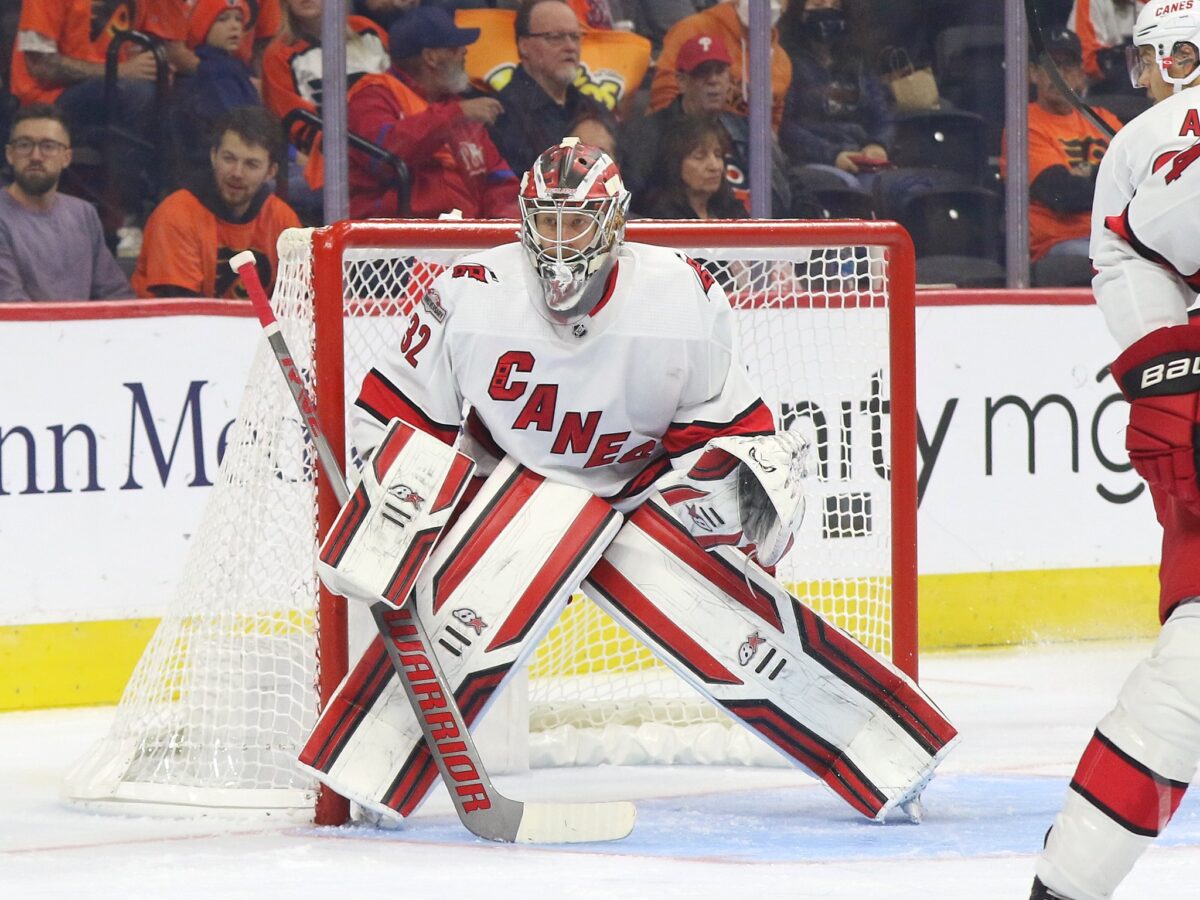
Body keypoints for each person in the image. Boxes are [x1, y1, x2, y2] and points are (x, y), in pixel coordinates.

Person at [306, 138, 956, 828]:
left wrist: (738, 493)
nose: (558, 241)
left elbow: (727, 428)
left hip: (643, 494)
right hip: (518, 489)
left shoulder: (679, 294)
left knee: (730, 623)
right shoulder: (470, 293)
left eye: (577, 221)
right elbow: (399, 417)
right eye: (546, 220)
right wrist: (394, 516)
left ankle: (886, 754)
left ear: (614, 224)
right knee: (516, 554)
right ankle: (368, 769)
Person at [1030, 2, 1200, 898]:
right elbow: (1129, 255)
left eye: (1152, 59)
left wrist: (1164, 379)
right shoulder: (1156, 141)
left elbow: (1123, 254)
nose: (1142, 77)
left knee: (1186, 689)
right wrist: (1168, 381)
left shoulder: (1153, 141)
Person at [347, 6, 518, 219]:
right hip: (392, 240)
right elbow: (383, 156)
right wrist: (453, 116)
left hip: (467, 242)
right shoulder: (372, 96)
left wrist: (505, 232)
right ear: (431, 57)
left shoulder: (459, 108)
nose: (465, 51)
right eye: (455, 48)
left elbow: (499, 181)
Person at [132, 107, 300, 299]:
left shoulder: (283, 220)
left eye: (251, 164)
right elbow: (180, 313)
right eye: (229, 158)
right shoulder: (176, 215)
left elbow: (297, 304)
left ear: (271, 172)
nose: (237, 173)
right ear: (213, 156)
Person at [622, 33, 793, 216]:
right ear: (682, 82)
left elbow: (791, 181)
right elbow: (630, 201)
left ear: (729, 78)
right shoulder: (651, 133)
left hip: (762, 230)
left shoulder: (747, 128)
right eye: (702, 72)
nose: (713, 80)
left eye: (720, 71)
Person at [1002, 28, 1122, 266]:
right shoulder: (1023, 124)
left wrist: (1085, 178)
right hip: (1061, 245)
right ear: (1033, 73)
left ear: (1080, 74)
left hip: (1114, 238)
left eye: (1067, 67)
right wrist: (1103, 177)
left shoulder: (1104, 120)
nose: (1059, 75)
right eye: (1050, 66)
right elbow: (1061, 194)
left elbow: (1138, 181)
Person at [0, 105, 131, 301]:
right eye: (24, 145)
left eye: (48, 146)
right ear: (10, 154)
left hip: (81, 330)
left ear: (66, 157)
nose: (36, 156)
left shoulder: (83, 214)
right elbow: (13, 307)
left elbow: (116, 294)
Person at [263, 0, 390, 190]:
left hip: (392, 146)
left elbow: (403, 94)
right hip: (329, 164)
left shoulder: (369, 31)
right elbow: (299, 127)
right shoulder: (279, 55)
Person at [778, 0, 895, 193]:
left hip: (860, 156)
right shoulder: (785, 61)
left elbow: (882, 116)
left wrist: (878, 143)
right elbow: (785, 125)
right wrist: (833, 155)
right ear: (799, 10)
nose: (827, 9)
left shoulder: (857, 61)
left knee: (893, 186)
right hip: (812, 162)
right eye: (817, 5)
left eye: (834, 4)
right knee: (854, 189)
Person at [487, 0, 607, 178]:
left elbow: (627, 176)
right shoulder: (503, 113)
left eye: (575, 37)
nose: (570, 47)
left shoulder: (593, 108)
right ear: (524, 45)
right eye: (555, 37)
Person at [650, 0, 793, 133]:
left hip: (743, 150)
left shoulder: (781, 62)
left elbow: (772, 122)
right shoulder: (695, 28)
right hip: (687, 138)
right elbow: (664, 96)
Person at [172, 0, 264, 181]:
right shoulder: (213, 72)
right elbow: (238, 126)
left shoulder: (232, 66)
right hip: (233, 170)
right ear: (202, 26)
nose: (234, 26)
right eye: (223, 19)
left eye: (239, 20)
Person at [643, 117, 748, 220]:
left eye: (718, 155)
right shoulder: (662, 219)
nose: (714, 166)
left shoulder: (732, 211)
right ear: (675, 164)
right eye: (699, 157)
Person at [1069, 0, 1149, 86]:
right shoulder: (1087, 2)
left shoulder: (1154, 4)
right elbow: (1089, 63)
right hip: (1103, 87)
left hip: (1145, 82)